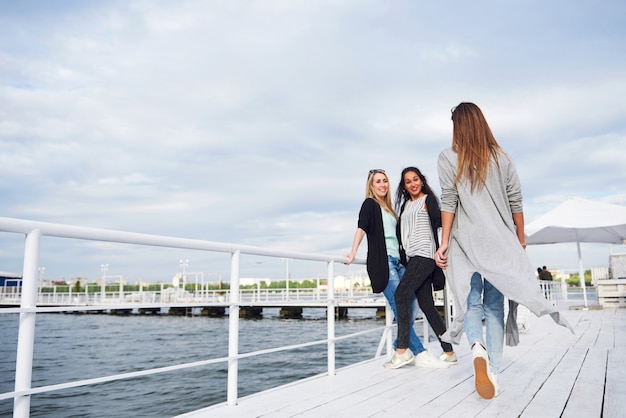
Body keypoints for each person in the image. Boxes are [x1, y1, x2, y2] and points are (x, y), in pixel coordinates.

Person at [434, 102, 573, 400]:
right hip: (499, 242)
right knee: (494, 307)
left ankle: (477, 351)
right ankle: (493, 372)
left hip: (464, 242)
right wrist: (519, 241)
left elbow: (449, 201)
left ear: (458, 125)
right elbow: (516, 203)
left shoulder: (448, 158)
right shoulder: (502, 158)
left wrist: (443, 242)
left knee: (470, 305)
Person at [345, 169, 446, 369]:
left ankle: (400, 347)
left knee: (411, 305)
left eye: (385, 181)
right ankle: (418, 352)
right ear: (371, 186)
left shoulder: (390, 209)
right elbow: (361, 227)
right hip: (384, 263)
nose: (382, 185)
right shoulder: (370, 204)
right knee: (399, 305)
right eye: (378, 182)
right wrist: (353, 251)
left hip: (399, 263)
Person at [385, 166, 455, 369]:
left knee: (400, 295)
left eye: (415, 179)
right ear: (404, 186)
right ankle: (449, 351)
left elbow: (442, 225)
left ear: (421, 181)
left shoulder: (428, 200)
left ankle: (402, 350)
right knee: (427, 306)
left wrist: (443, 250)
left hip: (425, 255)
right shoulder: (406, 205)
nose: (413, 184)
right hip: (412, 258)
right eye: (408, 181)